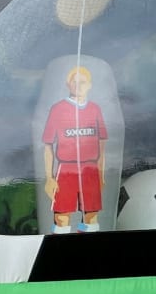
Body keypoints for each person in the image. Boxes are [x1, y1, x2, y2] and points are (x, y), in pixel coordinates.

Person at [42, 66, 108, 233]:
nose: (78, 85)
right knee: (62, 217)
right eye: (75, 82)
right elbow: (48, 145)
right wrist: (49, 177)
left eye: (83, 82)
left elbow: (102, 145)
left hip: (90, 170)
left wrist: (101, 174)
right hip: (66, 170)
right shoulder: (57, 109)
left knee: (91, 216)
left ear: (90, 85)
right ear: (68, 84)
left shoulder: (95, 109)